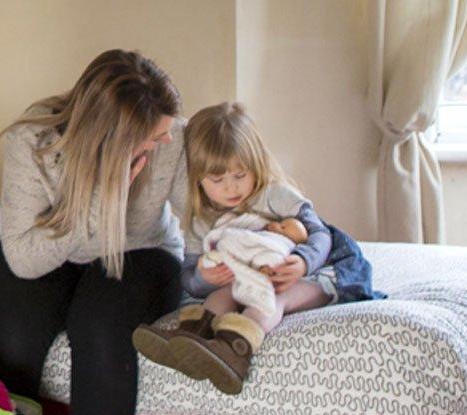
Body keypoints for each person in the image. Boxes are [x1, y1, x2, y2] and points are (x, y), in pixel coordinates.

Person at [0, 49, 190, 415]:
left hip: (142, 253)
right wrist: (98, 197)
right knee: (19, 326)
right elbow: (24, 256)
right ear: (110, 137)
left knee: (98, 321)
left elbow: (204, 211)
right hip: (51, 249)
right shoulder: (33, 143)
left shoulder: (172, 138)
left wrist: (274, 235)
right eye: (153, 135)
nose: (165, 140)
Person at [133, 102, 383, 395]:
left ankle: (235, 349)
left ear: (255, 164)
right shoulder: (202, 221)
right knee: (221, 294)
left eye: (240, 175)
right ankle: (192, 337)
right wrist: (204, 278)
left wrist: (302, 262)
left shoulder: (274, 195)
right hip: (251, 276)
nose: (231, 188)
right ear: (197, 179)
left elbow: (320, 235)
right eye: (217, 180)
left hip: (312, 275)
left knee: (272, 295)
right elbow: (189, 278)